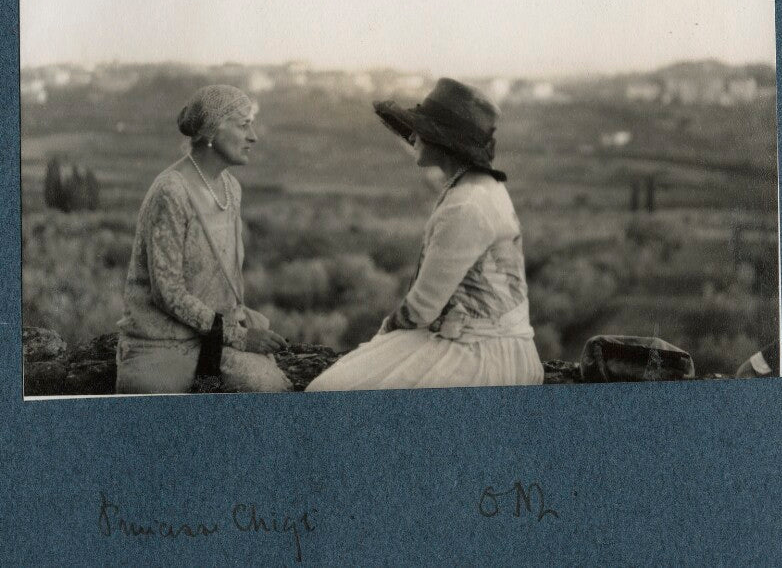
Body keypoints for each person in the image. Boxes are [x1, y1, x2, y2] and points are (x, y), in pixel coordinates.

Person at [306, 78, 545, 391]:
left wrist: (384, 333)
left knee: (326, 392)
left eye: (424, 130)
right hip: (489, 344)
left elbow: (421, 309)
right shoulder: (478, 188)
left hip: (484, 356)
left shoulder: (467, 205)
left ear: (444, 142)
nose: (413, 137)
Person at [116, 85, 291, 394]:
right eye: (243, 124)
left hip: (214, 338)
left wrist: (237, 325)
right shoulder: (171, 191)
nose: (254, 137)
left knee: (274, 388)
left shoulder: (231, 188)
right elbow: (167, 292)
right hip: (167, 342)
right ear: (212, 130)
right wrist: (238, 337)